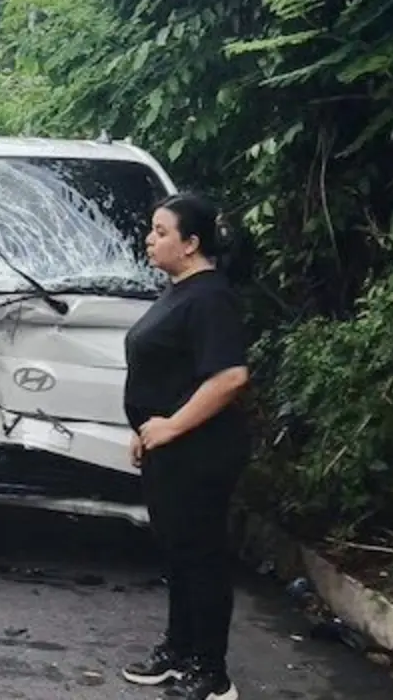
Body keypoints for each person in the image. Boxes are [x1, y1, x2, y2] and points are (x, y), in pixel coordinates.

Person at [120, 192, 251, 700]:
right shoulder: (180, 290)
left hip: (202, 451)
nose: (150, 241)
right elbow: (168, 372)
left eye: (161, 232)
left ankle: (212, 673)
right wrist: (145, 430)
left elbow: (229, 377)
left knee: (201, 558)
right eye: (152, 230)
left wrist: (171, 426)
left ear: (192, 243)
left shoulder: (210, 297)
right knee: (177, 554)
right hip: (167, 450)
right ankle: (178, 650)